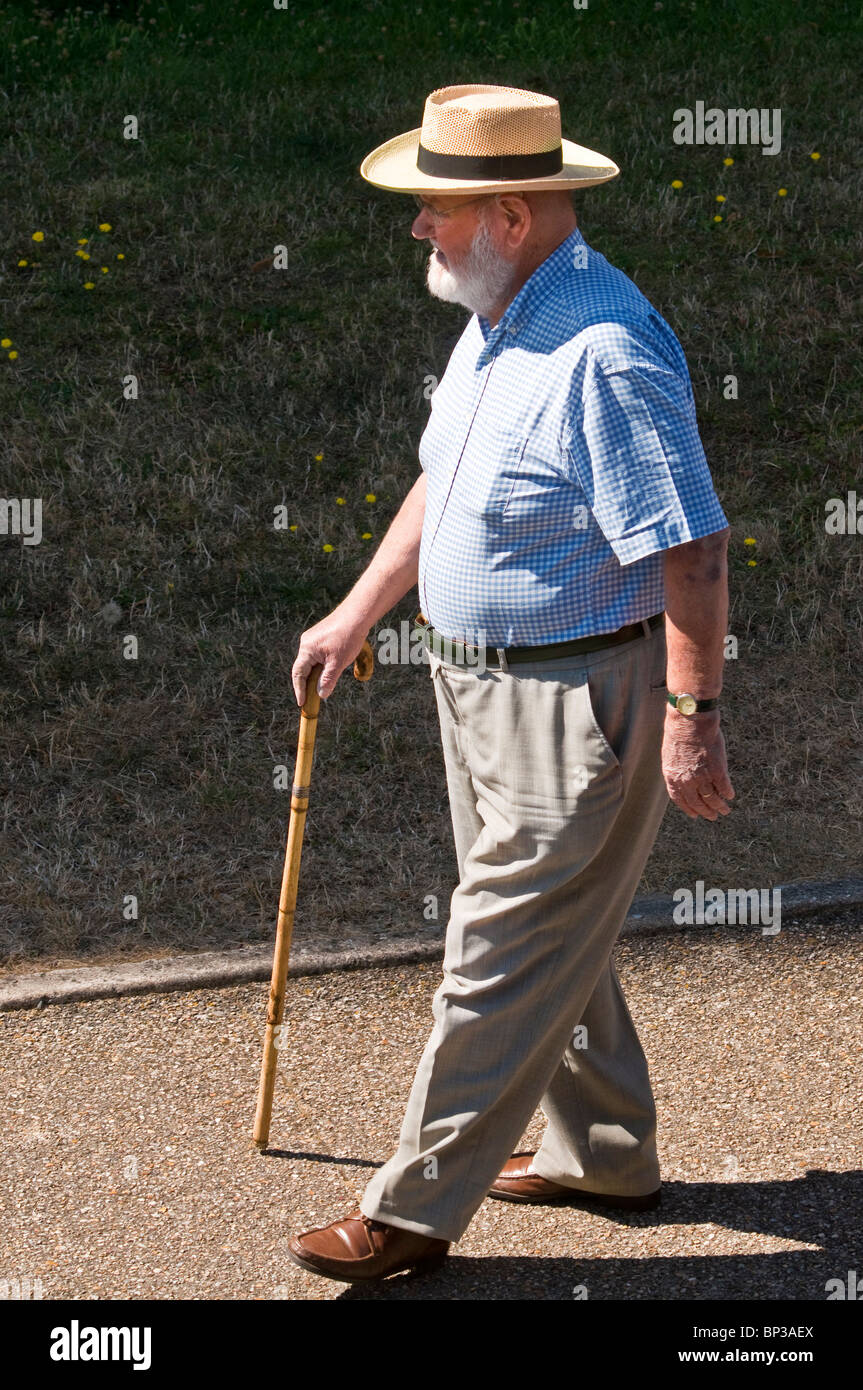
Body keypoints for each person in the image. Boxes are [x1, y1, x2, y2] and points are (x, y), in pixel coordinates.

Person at [287, 84, 734, 1283]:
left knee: (494, 951)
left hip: (575, 706)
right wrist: (359, 608)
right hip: (476, 692)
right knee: (550, 931)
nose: (417, 228)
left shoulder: (602, 351)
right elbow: (448, 479)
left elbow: (690, 549)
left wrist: (690, 719)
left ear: (512, 217)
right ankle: (604, 1152)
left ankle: (409, 1210)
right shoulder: (498, 317)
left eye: (435, 209)